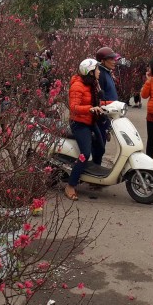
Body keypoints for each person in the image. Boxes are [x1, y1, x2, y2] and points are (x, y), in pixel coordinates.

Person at [65, 58, 104, 200]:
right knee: (85, 154)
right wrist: (90, 109)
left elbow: (96, 101)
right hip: (79, 123)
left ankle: (93, 178)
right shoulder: (77, 86)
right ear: (90, 72)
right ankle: (71, 185)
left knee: (100, 147)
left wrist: (113, 104)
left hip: (90, 120)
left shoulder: (92, 84)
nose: (99, 72)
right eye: (97, 70)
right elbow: (74, 108)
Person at [95, 46, 120, 164]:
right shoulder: (101, 75)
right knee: (99, 144)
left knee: (102, 142)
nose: (114, 61)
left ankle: (97, 164)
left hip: (109, 114)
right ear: (103, 60)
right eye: (111, 59)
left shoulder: (107, 72)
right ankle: (95, 166)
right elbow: (100, 97)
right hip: (103, 115)